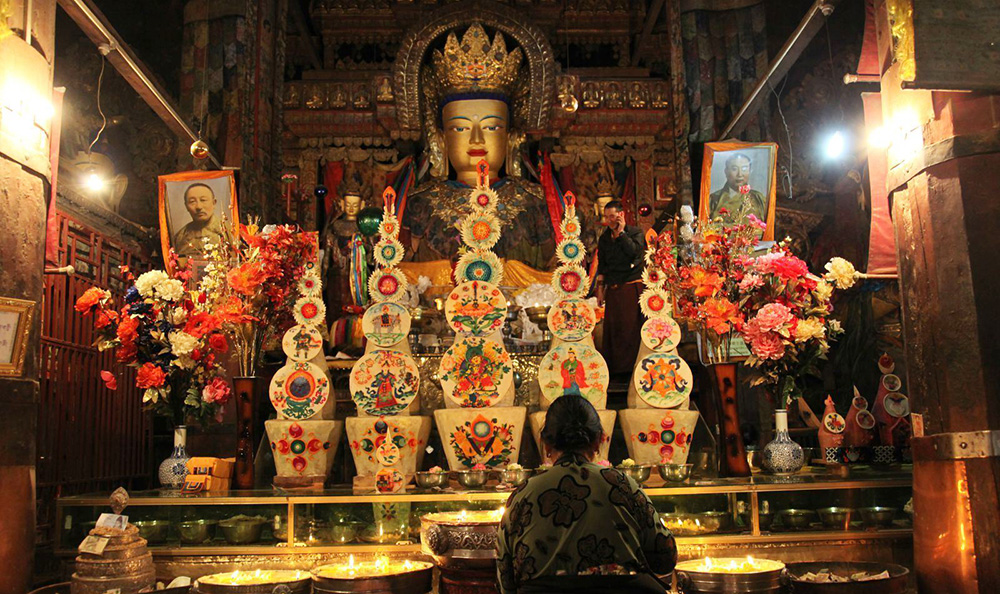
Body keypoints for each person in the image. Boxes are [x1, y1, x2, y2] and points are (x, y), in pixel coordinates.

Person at [497, 395, 676, 594]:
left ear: (545, 444)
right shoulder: (623, 486)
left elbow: (506, 580)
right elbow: (665, 559)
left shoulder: (522, 496)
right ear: (599, 441)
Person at [595, 200, 646, 378]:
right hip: (613, 289)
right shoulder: (604, 238)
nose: (609, 221)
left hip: (631, 287)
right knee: (614, 331)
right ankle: (615, 372)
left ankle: (632, 371)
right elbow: (603, 265)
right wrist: (600, 290)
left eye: (612, 216)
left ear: (621, 215)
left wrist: (622, 233)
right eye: (606, 217)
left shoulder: (635, 233)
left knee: (630, 331)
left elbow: (634, 252)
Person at [708, 152, 767, 223]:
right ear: (726, 171)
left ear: (750, 171)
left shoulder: (758, 198)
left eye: (744, 169)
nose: (740, 174)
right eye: (734, 169)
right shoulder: (714, 199)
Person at [173, 183, 228, 257]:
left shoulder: (228, 231)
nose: (198, 207)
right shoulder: (180, 237)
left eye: (203, 200)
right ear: (186, 206)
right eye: (192, 202)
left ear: (214, 203)